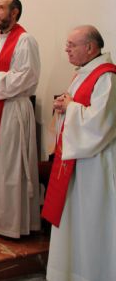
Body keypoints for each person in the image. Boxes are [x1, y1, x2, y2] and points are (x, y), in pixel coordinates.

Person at [43, 25, 116, 281]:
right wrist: (65, 106)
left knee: (90, 221)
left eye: (72, 44)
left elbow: (99, 124)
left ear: (90, 48)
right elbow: (77, 108)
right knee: (73, 219)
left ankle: (92, 273)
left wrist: (70, 107)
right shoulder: (83, 74)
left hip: (94, 164)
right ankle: (69, 272)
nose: (66, 49)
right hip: (75, 161)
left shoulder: (106, 77)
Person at [0, 0, 41, 238]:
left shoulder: (25, 40)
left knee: (10, 167)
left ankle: (14, 224)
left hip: (12, 110)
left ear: (15, 12)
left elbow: (28, 76)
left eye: (1, 8)